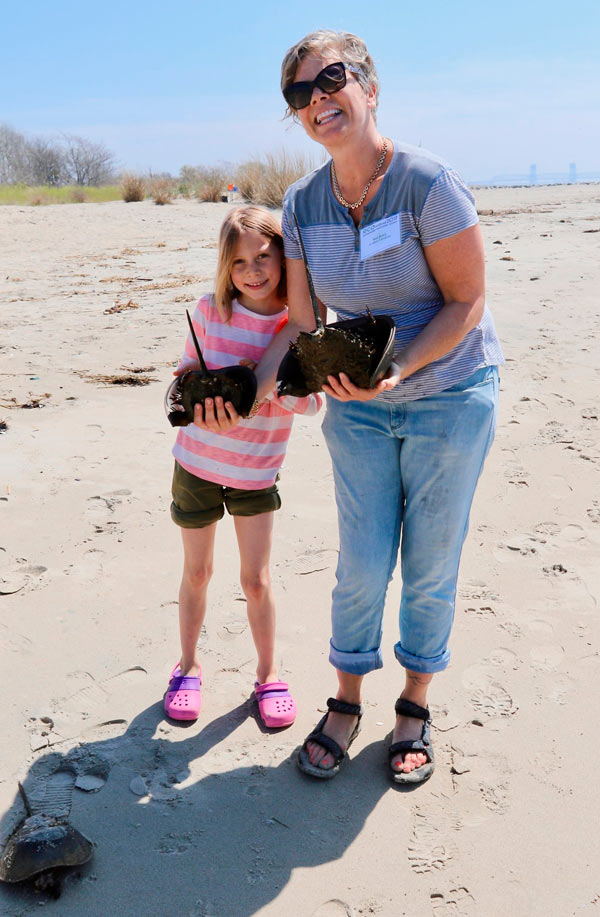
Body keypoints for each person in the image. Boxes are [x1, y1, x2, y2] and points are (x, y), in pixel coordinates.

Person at [252, 30, 504, 783]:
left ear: (369, 83)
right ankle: (347, 697)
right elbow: (303, 324)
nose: (318, 100)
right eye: (300, 93)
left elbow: (467, 301)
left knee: (429, 562)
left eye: (331, 79)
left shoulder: (429, 184)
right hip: (356, 405)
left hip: (450, 397)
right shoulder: (301, 202)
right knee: (361, 565)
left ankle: (415, 703)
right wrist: (258, 386)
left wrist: (398, 369)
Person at [165, 206, 322, 728]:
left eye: (262, 257)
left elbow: (313, 404)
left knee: (256, 579)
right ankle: (187, 666)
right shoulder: (210, 313)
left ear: (283, 256)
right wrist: (198, 407)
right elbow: (183, 382)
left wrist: (270, 393)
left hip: (256, 471)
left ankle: (269, 674)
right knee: (197, 571)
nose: (253, 271)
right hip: (197, 464)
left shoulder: (296, 326)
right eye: (238, 263)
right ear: (224, 269)